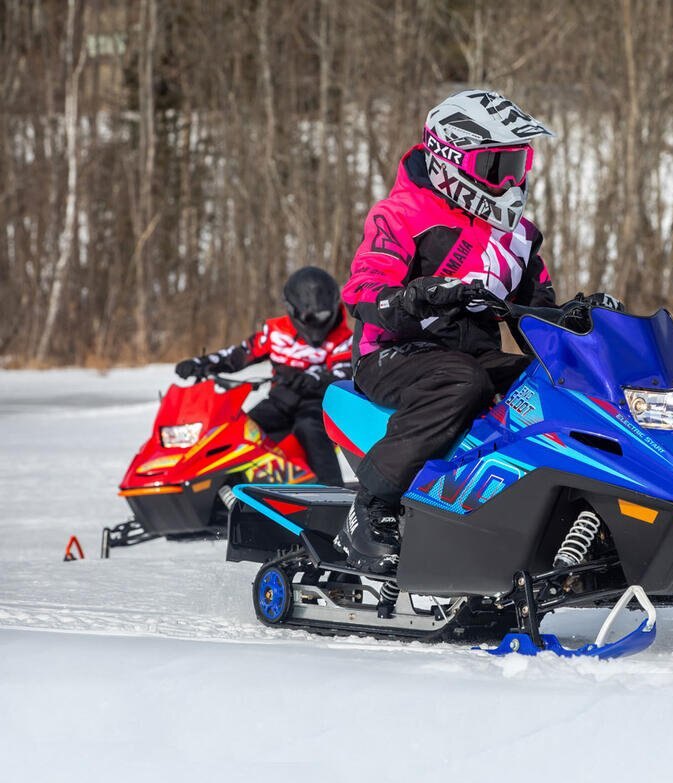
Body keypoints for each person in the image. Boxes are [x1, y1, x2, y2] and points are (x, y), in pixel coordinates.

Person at [337, 89, 558, 574]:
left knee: (548, 387)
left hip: (471, 356)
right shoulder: (401, 215)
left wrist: (586, 319)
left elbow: (538, 310)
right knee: (461, 380)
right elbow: (363, 291)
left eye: (517, 165)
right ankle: (371, 507)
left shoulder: (518, 235)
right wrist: (427, 294)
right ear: (450, 160)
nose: (510, 181)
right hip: (392, 354)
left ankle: (528, 511)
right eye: (496, 167)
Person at [174, 266, 351, 486]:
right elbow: (240, 354)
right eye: (308, 316)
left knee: (310, 429)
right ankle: (231, 489)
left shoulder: (344, 339)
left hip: (319, 404)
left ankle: (332, 491)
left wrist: (311, 380)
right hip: (280, 399)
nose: (316, 322)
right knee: (243, 430)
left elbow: (342, 375)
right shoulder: (276, 331)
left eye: (322, 315)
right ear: (293, 310)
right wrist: (202, 363)